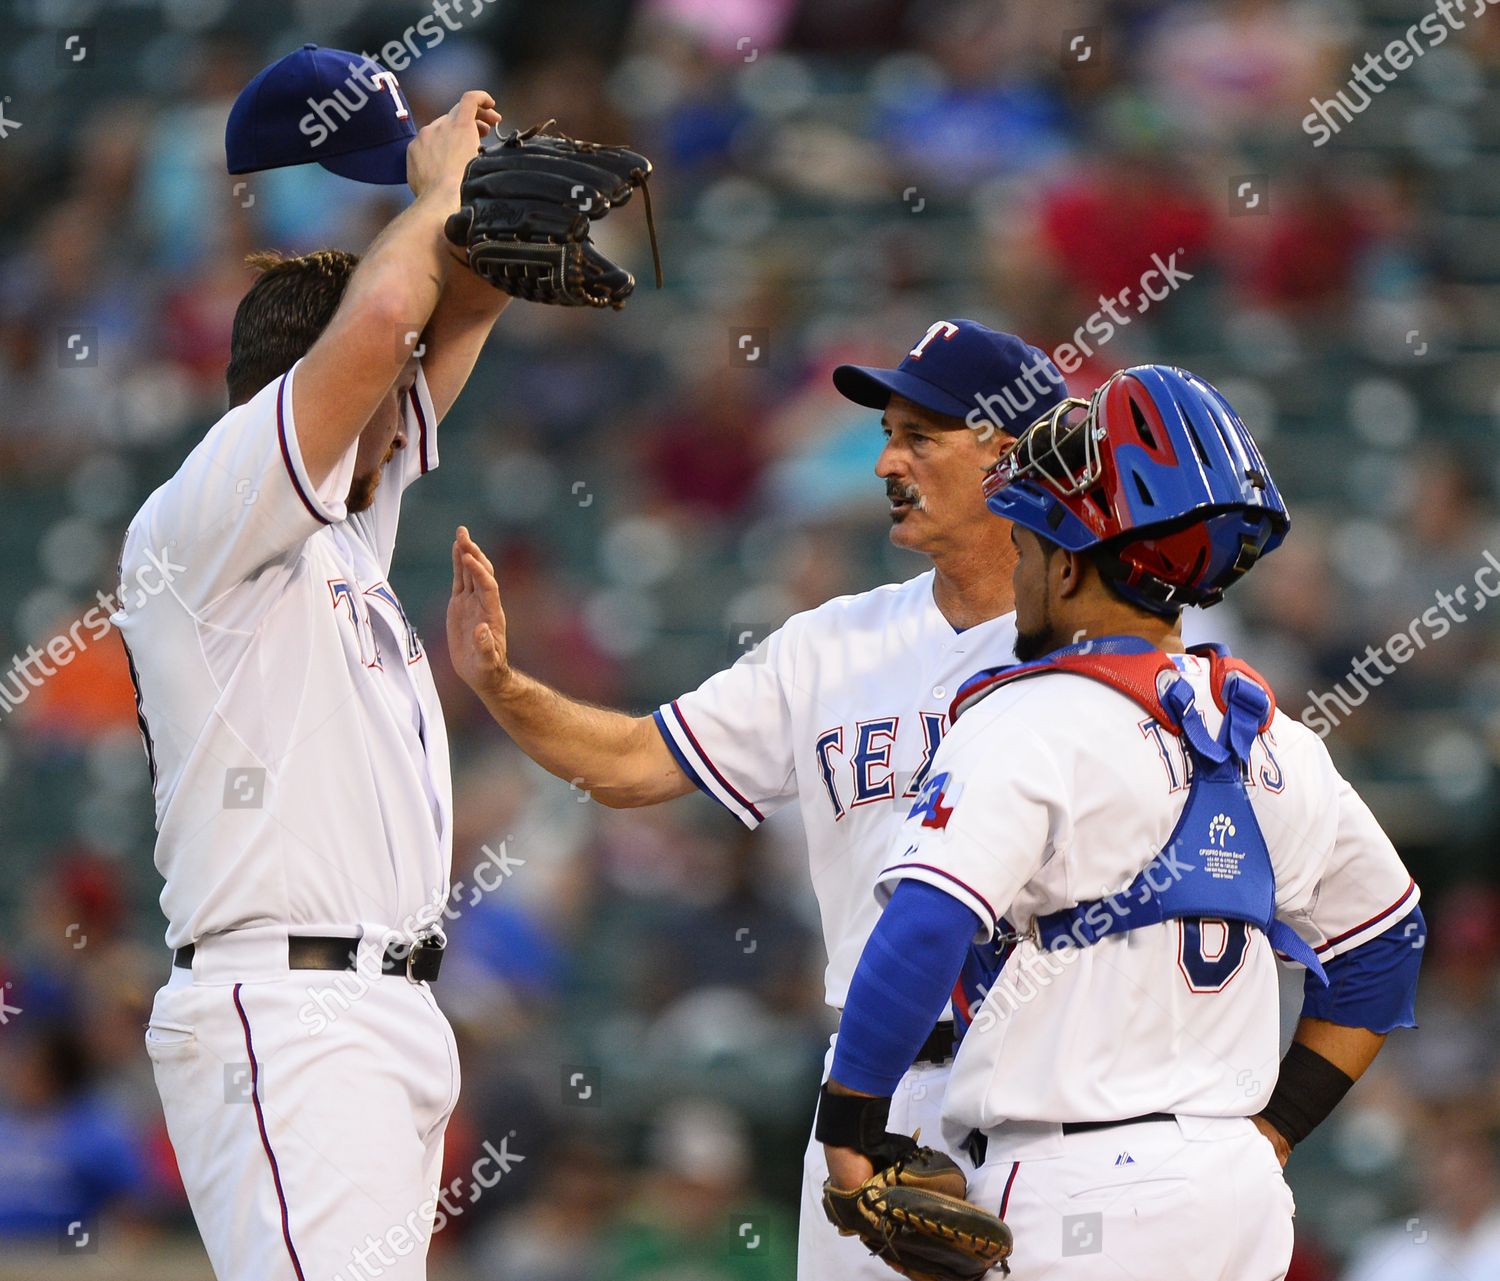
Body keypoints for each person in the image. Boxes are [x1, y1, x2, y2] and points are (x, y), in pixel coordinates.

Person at [446, 318, 1068, 1276]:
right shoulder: (832, 644)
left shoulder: (1104, 654)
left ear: (1011, 453)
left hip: (1046, 1085)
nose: (885, 463)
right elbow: (635, 763)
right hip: (871, 1091)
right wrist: (501, 683)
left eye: (919, 437)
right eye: (886, 434)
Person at [818, 366, 1424, 1279]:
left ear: (1066, 562)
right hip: (1238, 1195)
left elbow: (927, 922)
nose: (1020, 570)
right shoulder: (1278, 742)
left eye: (1025, 546)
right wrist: (1274, 1130)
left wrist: (850, 1126)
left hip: (1076, 1186)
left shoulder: (1031, 719)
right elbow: (1385, 949)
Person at [114, 88, 511, 1281]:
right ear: (327, 379)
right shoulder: (217, 506)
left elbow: (448, 315)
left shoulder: (335, 528)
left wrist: (472, 196)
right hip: (288, 1013)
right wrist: (429, 199)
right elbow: (391, 315)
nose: (412, 415)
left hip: (378, 1015)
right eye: (390, 389)